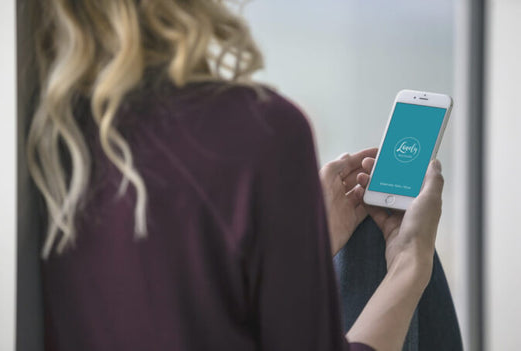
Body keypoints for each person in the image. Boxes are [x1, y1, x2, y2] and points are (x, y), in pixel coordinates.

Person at [26, 1, 455, 350]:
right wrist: (408, 265)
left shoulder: (39, 139)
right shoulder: (261, 131)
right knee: (379, 240)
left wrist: (296, 245)